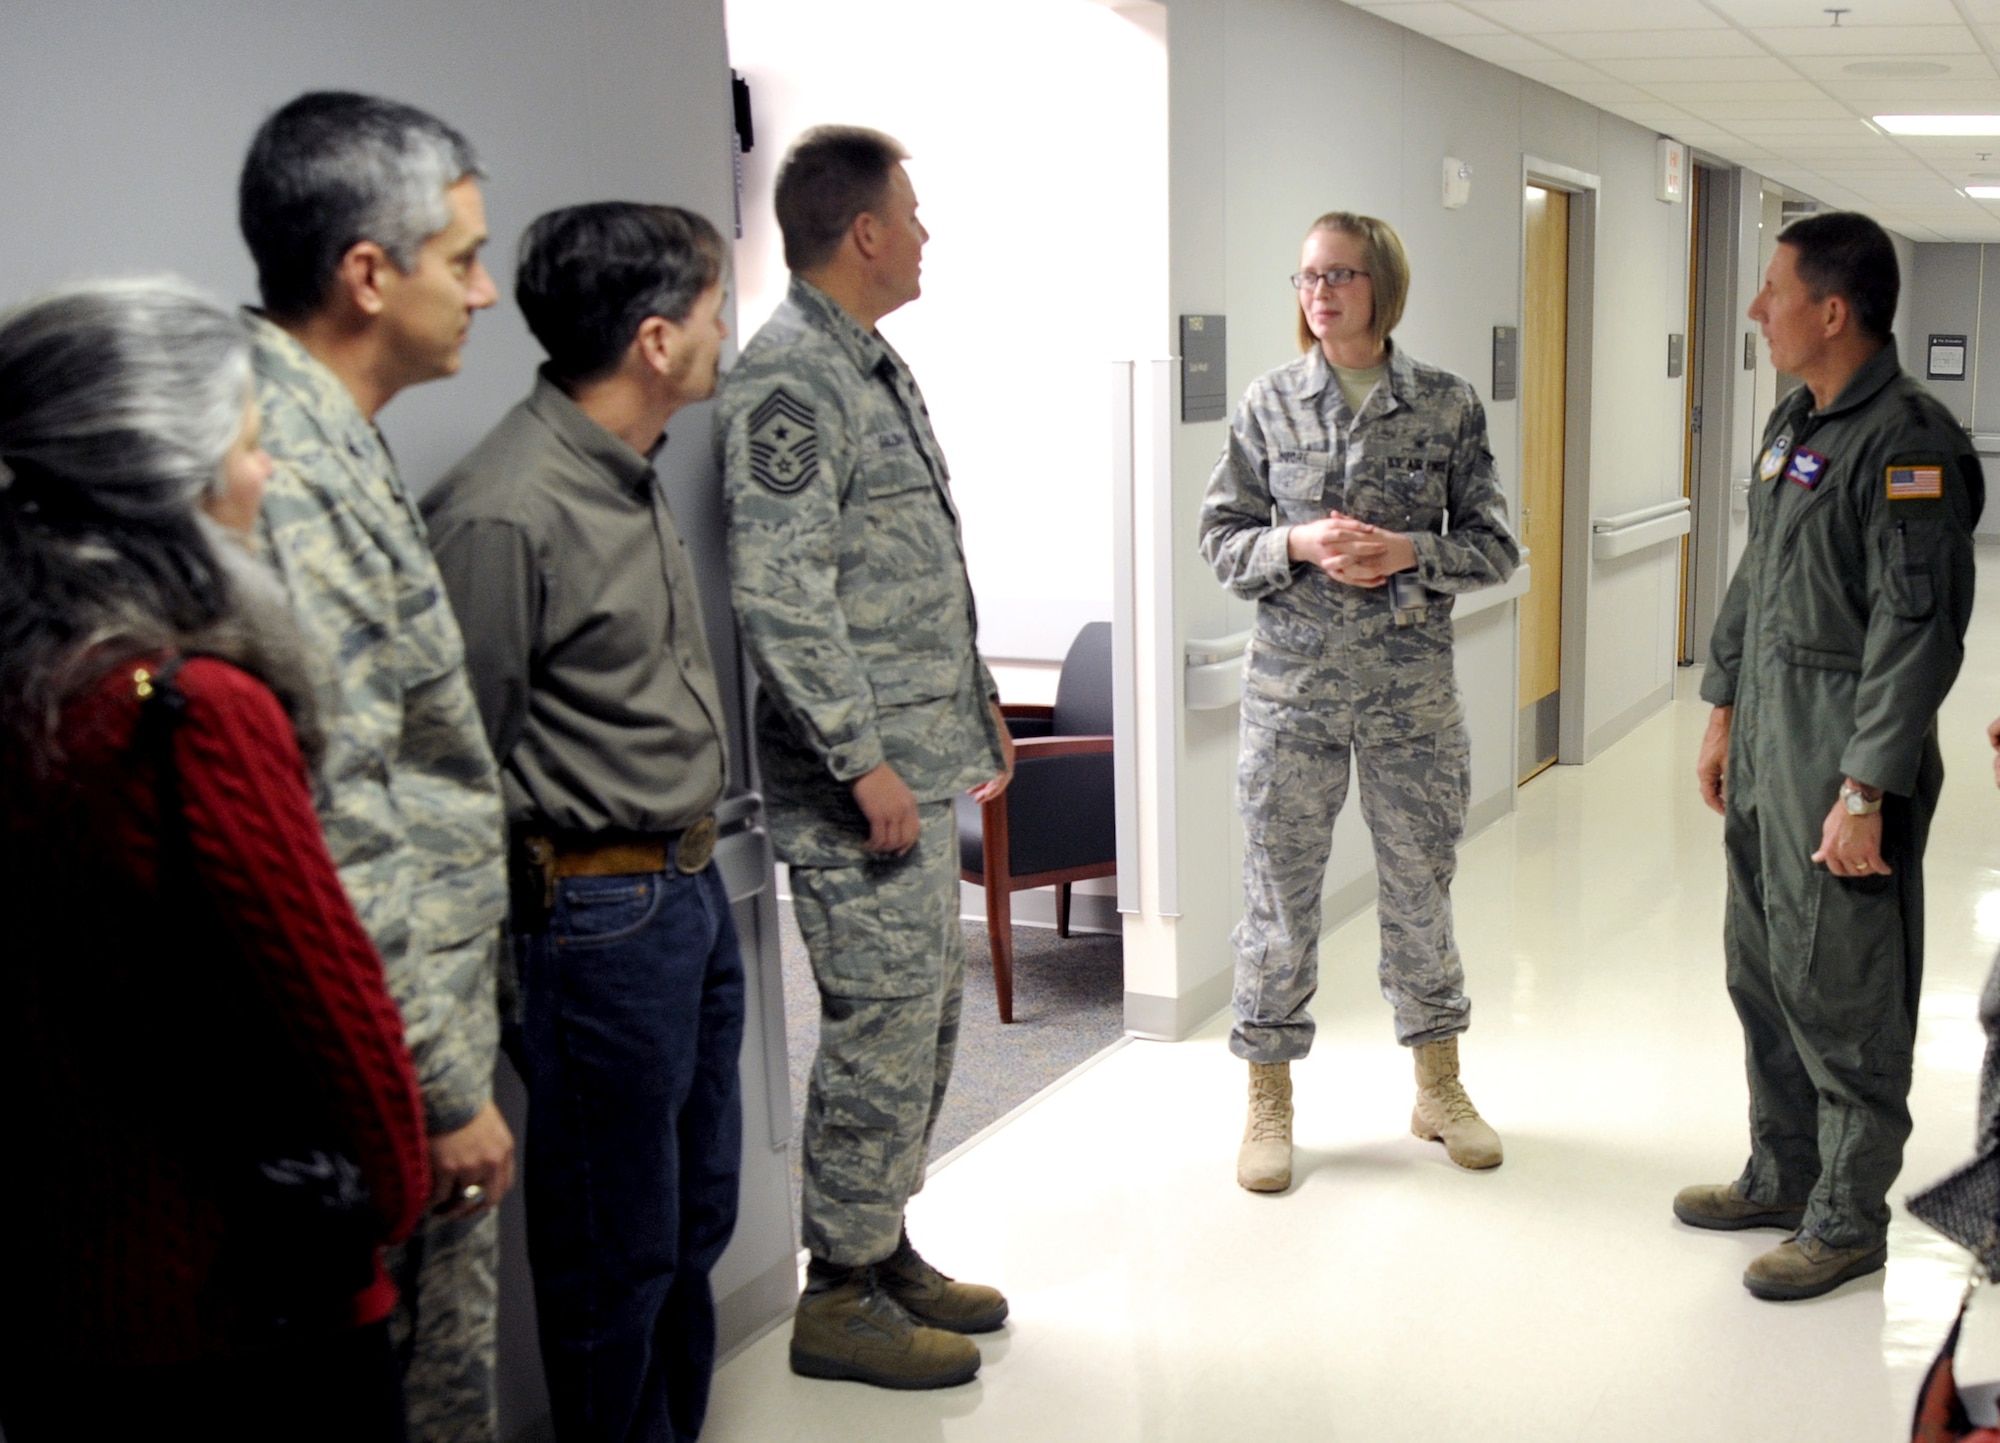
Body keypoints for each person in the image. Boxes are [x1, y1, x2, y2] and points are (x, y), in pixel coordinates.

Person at [0, 278, 429, 1441]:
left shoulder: (35, 695)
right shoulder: (187, 711)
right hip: (246, 1306)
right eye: (247, 449)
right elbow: (336, 1022)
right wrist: (387, 1203)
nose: (264, 478)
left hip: (60, 1297)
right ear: (175, 482)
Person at [423, 202, 744, 1443]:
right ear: (657, 340)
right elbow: (450, 765)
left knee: (690, 1222)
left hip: (686, 891)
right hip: (597, 921)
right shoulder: (502, 510)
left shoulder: (628, 467)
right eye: (715, 310)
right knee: (615, 1251)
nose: (727, 331)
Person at [716, 125, 1014, 1392]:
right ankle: (835, 1294)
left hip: (911, 760)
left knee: (922, 1025)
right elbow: (781, 593)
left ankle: (878, 1244)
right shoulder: (790, 379)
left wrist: (978, 708)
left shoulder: (869, 365)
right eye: (914, 209)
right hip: (858, 794)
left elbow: (910, 574)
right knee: (876, 1033)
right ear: (865, 232)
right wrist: (859, 762)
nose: (927, 232)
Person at [237, 91, 513, 1439]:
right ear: (367, 273)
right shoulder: (285, 466)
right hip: (382, 1080)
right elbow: (336, 815)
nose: (487, 288)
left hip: (402, 1039)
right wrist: (442, 1088)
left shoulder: (322, 429)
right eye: (460, 258)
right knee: (406, 1393)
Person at [1678, 210, 1982, 1301]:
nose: (1756, 310)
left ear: (1831, 310)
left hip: (1841, 755)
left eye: (1771, 291)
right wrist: (1719, 707)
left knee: (1842, 992)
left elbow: (1916, 637)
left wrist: (1863, 789)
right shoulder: (1795, 420)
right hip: (1766, 743)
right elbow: (1756, 576)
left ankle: (1847, 1221)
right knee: (1759, 971)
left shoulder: (1907, 442)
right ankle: (1781, 1171)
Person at [1197, 211, 1519, 1195]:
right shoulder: (1267, 405)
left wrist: (1408, 552)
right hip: (1290, 697)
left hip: (1407, 697)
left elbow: (1495, 546)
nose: (1318, 292)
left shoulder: (1445, 406)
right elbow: (1219, 539)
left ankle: (1437, 1089)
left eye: (1338, 274)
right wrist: (1294, 545)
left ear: (1381, 284)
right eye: (1304, 277)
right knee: (1278, 901)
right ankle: (1268, 1103)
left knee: (1420, 891)